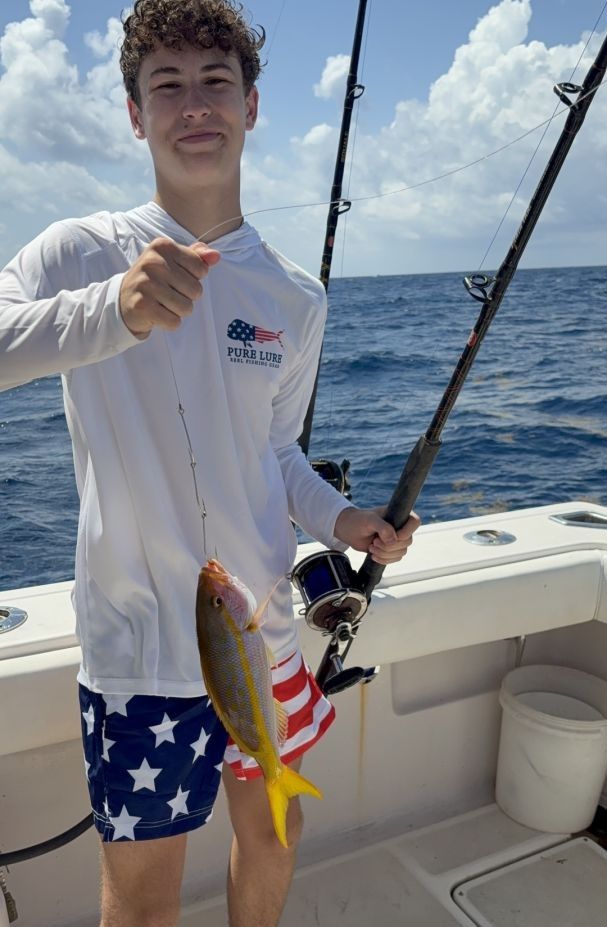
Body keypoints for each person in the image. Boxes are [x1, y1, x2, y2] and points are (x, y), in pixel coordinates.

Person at [0, 1, 420, 924]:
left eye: (215, 83)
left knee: (274, 836)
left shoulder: (293, 295)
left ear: (253, 106)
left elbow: (273, 453)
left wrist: (342, 522)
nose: (195, 106)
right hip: (142, 654)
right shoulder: (79, 253)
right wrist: (112, 309)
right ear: (133, 112)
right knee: (143, 901)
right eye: (168, 86)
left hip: (260, 633)